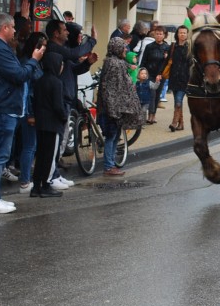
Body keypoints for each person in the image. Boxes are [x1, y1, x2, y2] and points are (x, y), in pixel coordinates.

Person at [0, 13, 45, 214]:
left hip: (0, 107)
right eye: (13, 27)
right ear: (5, 28)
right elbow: (19, 75)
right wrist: (34, 60)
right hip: (1, 109)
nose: (15, 31)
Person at [45, 20, 97, 190]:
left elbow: (73, 69)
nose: (67, 33)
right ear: (56, 34)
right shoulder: (55, 48)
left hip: (67, 99)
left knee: (61, 140)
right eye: (64, 30)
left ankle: (55, 174)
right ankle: (49, 177)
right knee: (55, 142)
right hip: (58, 101)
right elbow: (76, 53)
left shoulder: (63, 51)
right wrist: (92, 40)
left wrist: (87, 63)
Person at [97, 37, 143, 175]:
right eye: (123, 47)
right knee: (111, 136)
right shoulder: (114, 64)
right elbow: (110, 88)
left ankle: (111, 164)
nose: (125, 50)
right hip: (113, 108)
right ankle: (108, 166)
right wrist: (112, 109)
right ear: (117, 48)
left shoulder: (115, 62)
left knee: (115, 135)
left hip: (116, 106)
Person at [31, 52, 67, 197]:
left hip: (40, 123)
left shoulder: (39, 81)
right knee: (49, 156)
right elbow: (58, 106)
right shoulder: (57, 82)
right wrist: (64, 117)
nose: (62, 66)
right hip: (53, 124)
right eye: (61, 64)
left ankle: (36, 186)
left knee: (40, 155)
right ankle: (45, 185)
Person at [17, 32, 46, 195]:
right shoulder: (29, 63)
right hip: (29, 110)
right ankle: (25, 180)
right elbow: (27, 91)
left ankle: (26, 178)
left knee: (30, 145)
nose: (44, 50)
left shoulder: (35, 62)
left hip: (32, 109)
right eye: (42, 46)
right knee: (29, 146)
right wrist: (29, 113)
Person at [162, 25, 191, 132]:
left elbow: (192, 64)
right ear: (177, 34)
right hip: (174, 78)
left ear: (187, 34)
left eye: (184, 33)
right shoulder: (173, 47)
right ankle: (181, 124)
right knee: (177, 101)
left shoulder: (190, 48)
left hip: (185, 79)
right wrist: (160, 73)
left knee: (178, 101)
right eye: (180, 32)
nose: (182, 34)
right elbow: (167, 62)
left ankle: (174, 122)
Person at [140, 23, 170, 124]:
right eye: (157, 34)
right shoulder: (149, 46)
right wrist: (142, 71)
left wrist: (167, 58)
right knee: (152, 94)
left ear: (164, 35)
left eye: (161, 34)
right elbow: (144, 60)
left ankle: (153, 115)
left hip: (161, 75)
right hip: (149, 74)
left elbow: (169, 63)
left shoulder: (167, 47)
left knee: (157, 95)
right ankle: (150, 115)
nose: (158, 36)